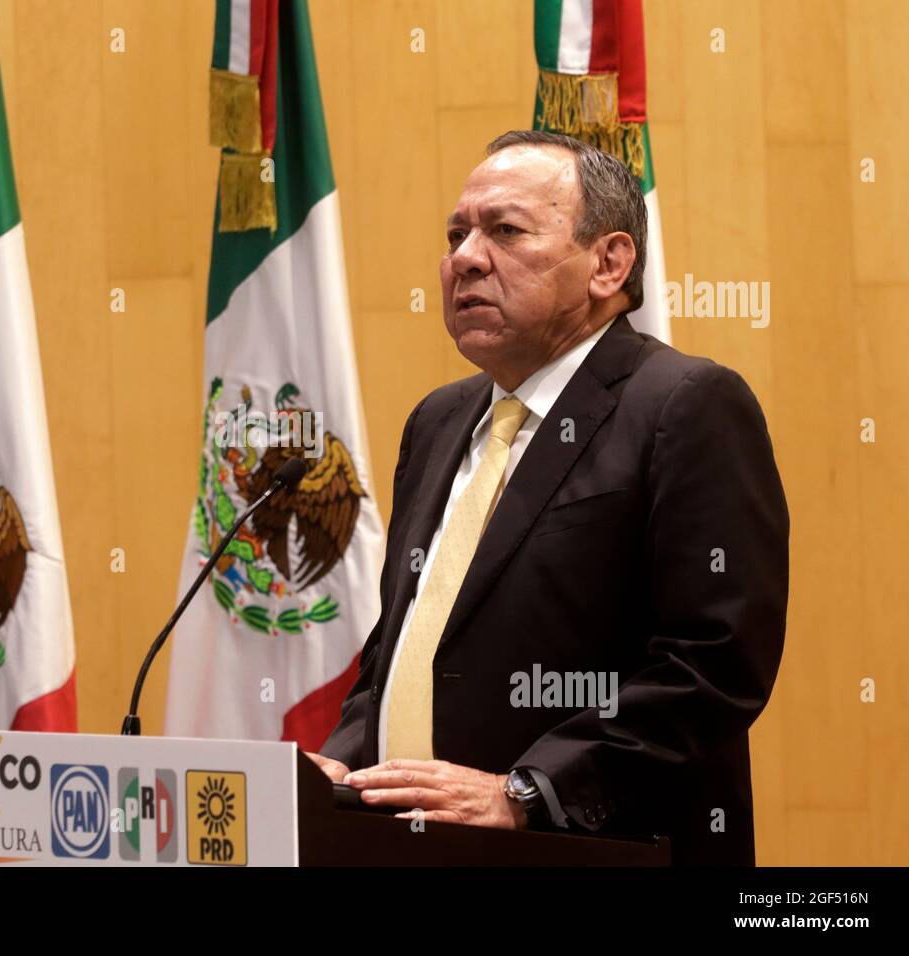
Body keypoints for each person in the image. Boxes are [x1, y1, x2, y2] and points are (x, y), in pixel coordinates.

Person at [309, 129, 788, 866]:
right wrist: (344, 765)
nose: (465, 258)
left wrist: (528, 792)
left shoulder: (685, 406)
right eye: (456, 234)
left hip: (600, 853)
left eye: (504, 231)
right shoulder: (438, 422)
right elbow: (404, 645)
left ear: (609, 263)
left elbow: (715, 664)